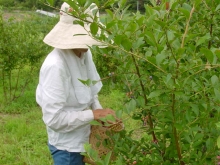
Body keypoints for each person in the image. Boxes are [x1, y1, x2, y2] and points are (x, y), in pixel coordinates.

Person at [36, 2, 116, 165]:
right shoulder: (56, 66)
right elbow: (54, 119)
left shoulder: (84, 53)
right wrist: (93, 115)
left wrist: (101, 115)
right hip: (67, 148)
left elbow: (91, 94)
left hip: (84, 139)